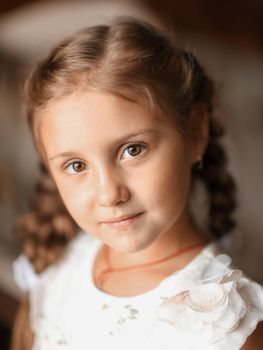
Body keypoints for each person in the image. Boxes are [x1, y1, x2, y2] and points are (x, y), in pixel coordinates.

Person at [11, 17, 263, 350]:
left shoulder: (223, 324)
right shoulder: (59, 262)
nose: (109, 194)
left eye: (133, 150)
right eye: (76, 165)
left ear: (195, 132)